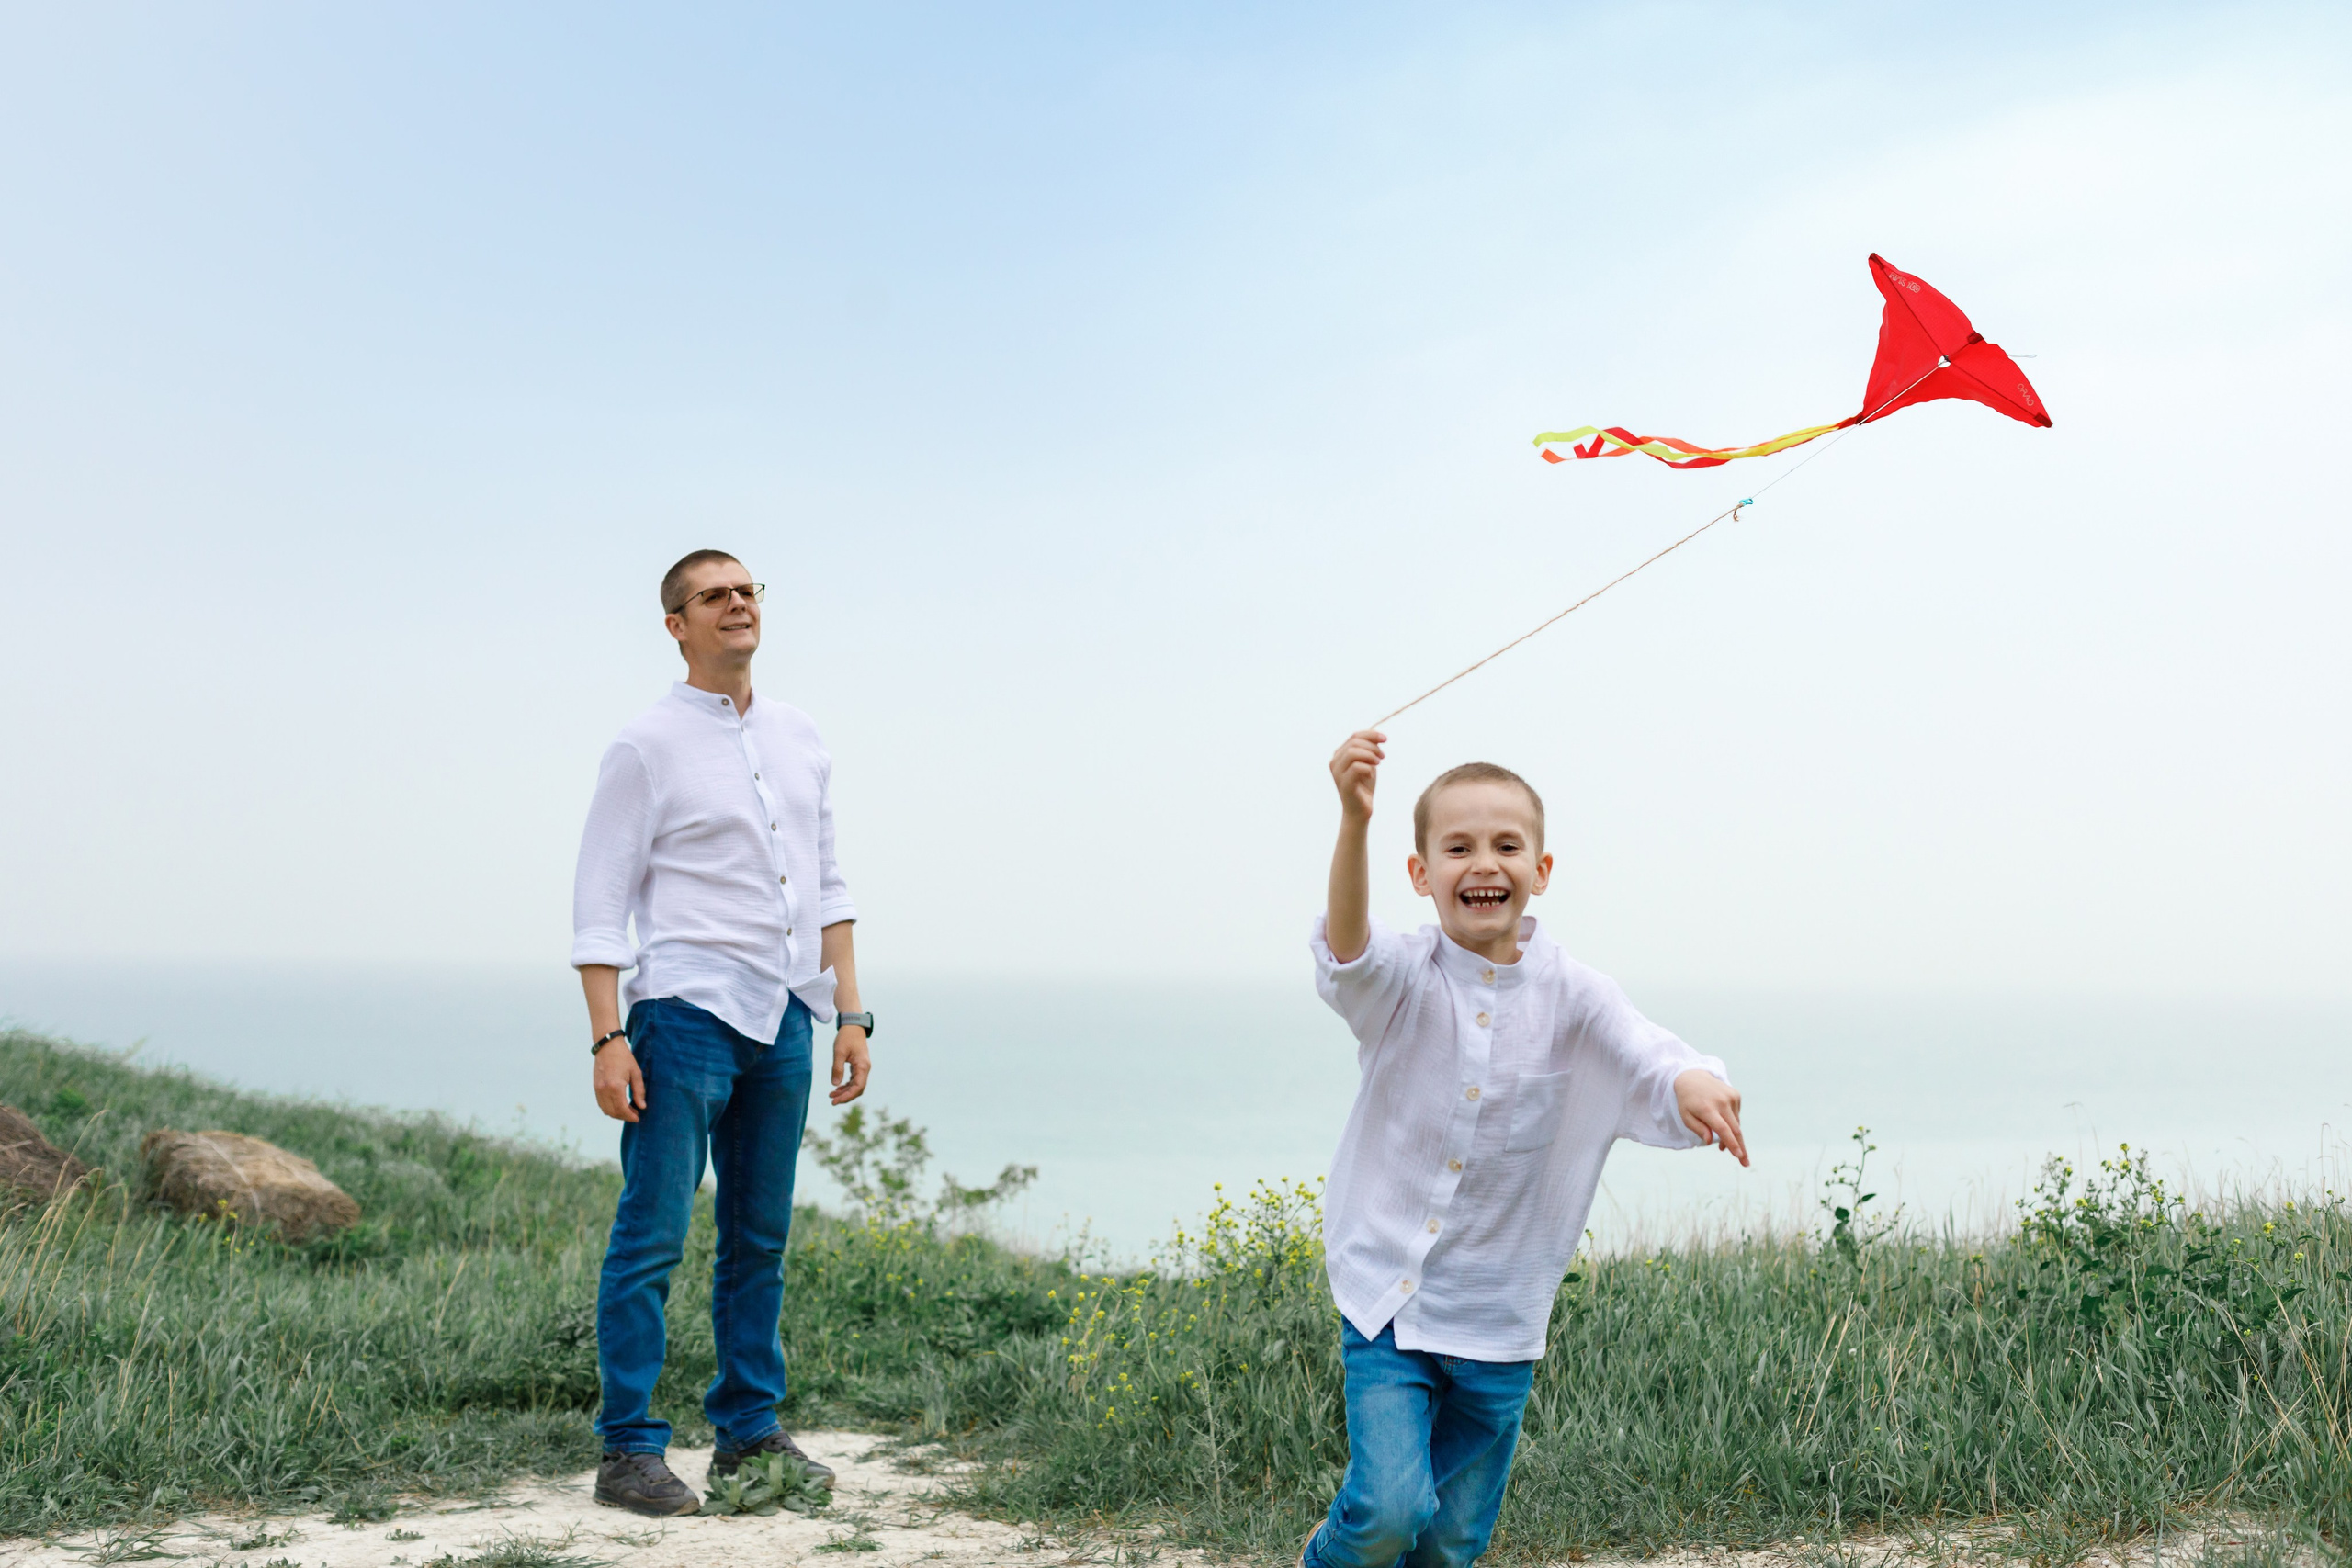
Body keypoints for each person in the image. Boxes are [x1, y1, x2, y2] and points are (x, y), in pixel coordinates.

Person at [1306, 728, 1747, 1568]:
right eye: (1458, 846)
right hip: (1387, 1304)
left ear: (1541, 869)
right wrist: (1354, 820)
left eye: (1507, 845)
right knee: (1390, 1510)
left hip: (1501, 1322)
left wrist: (1691, 1077)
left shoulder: (1576, 994)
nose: (1484, 863)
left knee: (1449, 1544)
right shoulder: (1400, 979)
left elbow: (1645, 1051)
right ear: (1420, 872)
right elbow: (1348, 949)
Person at [571, 548, 875, 1518]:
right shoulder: (646, 746)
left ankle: (748, 1437)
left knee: (759, 1238)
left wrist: (850, 1011)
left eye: (747, 591)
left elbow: (827, 884)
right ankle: (628, 1452)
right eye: (714, 596)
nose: (737, 605)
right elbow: (597, 902)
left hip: (783, 1014)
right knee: (651, 1234)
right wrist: (606, 1038)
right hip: (681, 1014)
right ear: (678, 625)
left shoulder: (800, 736)